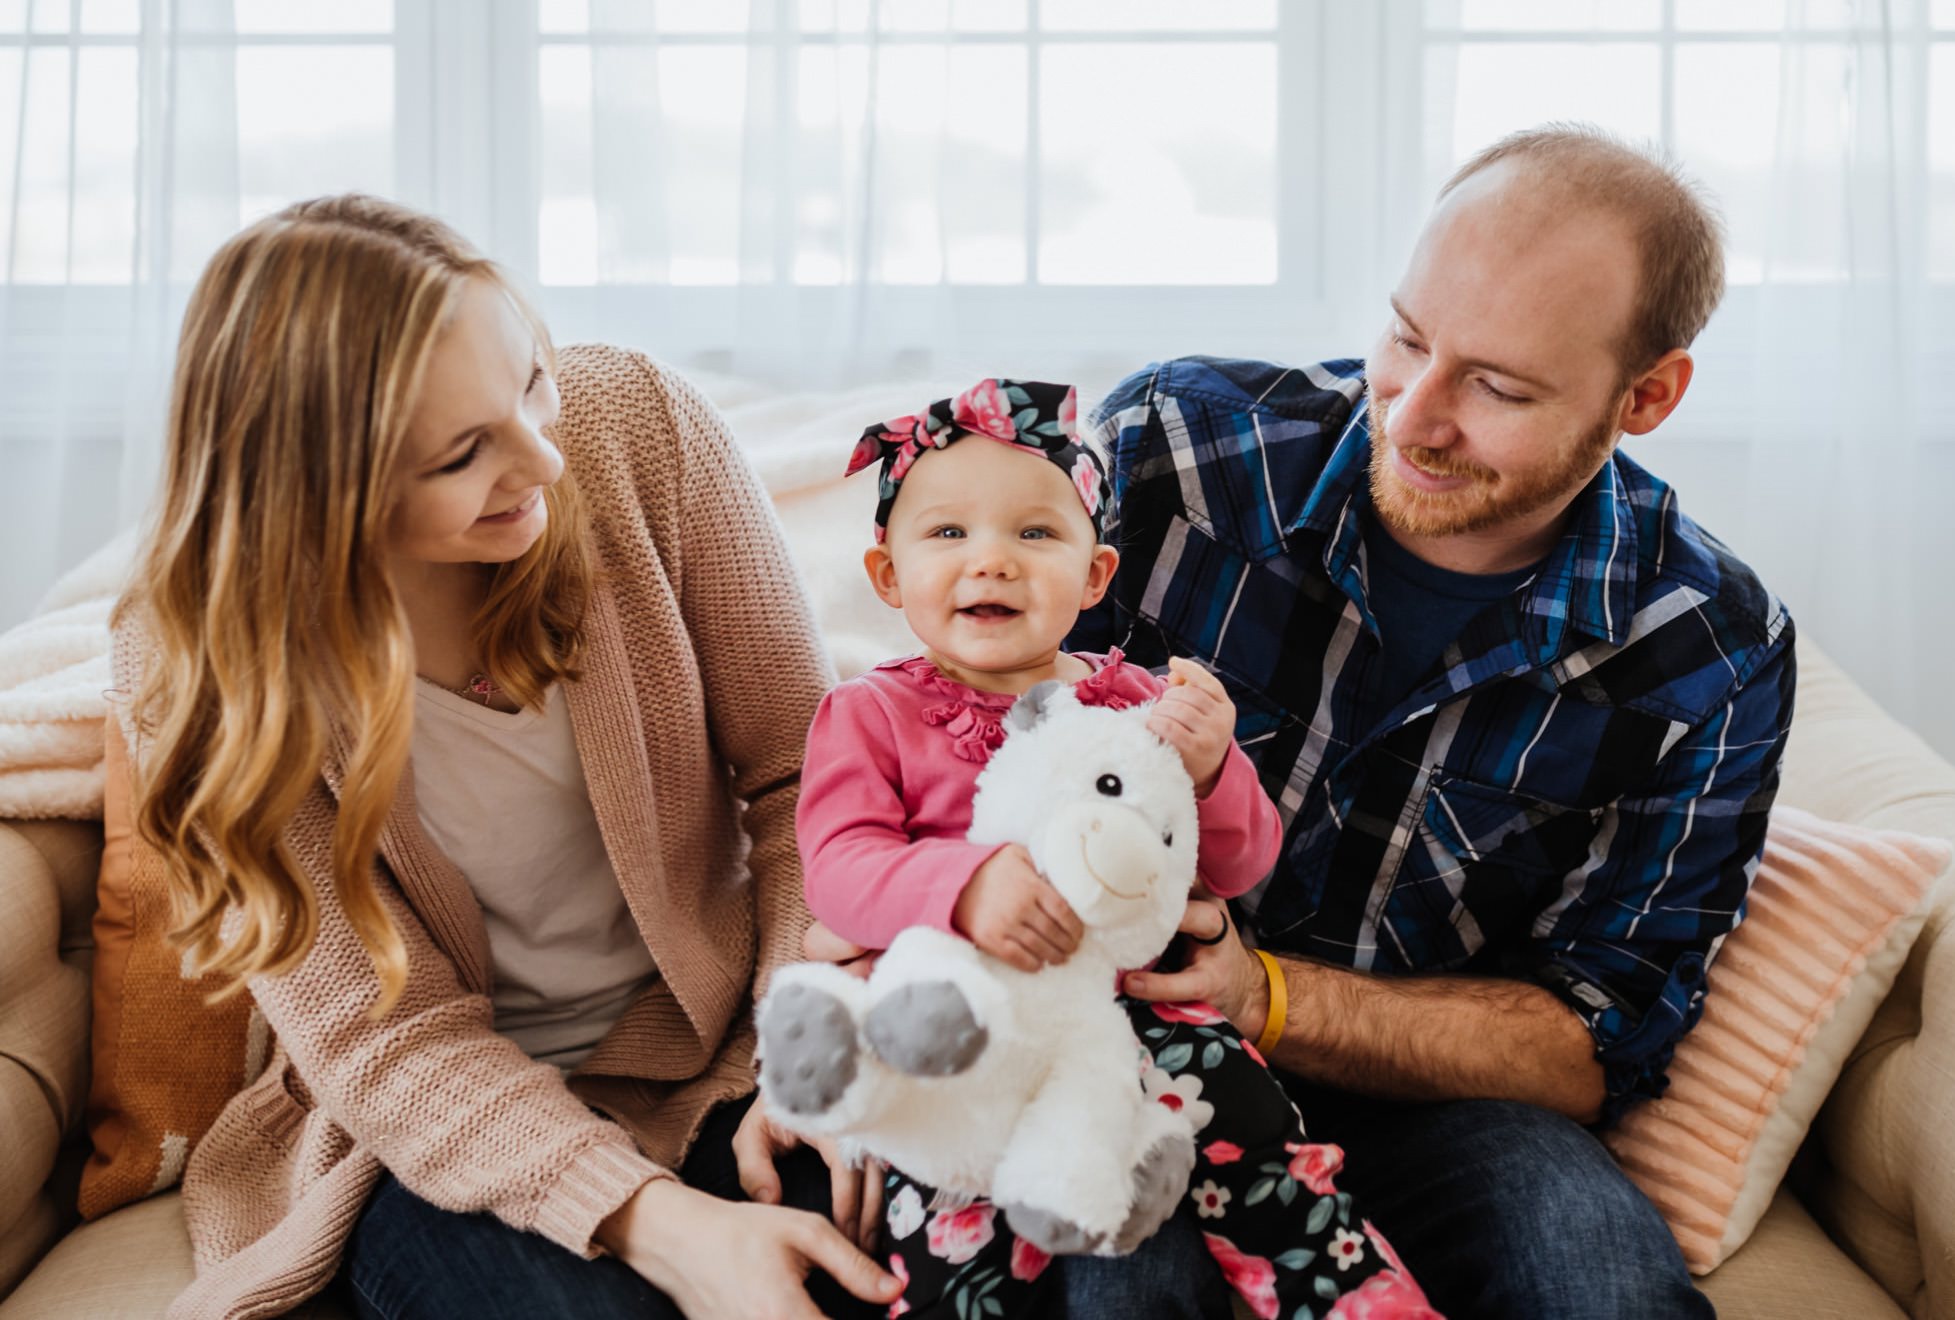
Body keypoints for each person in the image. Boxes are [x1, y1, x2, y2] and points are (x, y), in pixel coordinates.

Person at [109, 197, 1215, 1320]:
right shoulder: (188, 667)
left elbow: (801, 775)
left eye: (528, 381)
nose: (542, 457)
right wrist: (666, 1225)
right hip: (440, 1125)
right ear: (324, 500)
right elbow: (383, 1042)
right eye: (462, 453)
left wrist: (808, 1029)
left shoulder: (628, 425)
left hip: (740, 1042)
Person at [1062, 125, 1798, 1318]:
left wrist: (1267, 998)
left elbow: (1591, 1039)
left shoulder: (1707, 649)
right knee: (1113, 1272)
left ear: (1647, 394)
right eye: (1407, 338)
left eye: (1498, 387)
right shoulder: (1178, 456)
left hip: (1437, 1108)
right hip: (1109, 1055)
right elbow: (960, 730)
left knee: (1600, 1280)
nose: (1410, 419)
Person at [796, 380, 1436, 1318]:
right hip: (971, 1029)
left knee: (1276, 1174)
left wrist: (1213, 770)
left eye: (1035, 535)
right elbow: (840, 870)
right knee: (951, 1239)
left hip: (1151, 1018)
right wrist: (965, 886)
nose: (993, 563)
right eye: (947, 535)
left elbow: (1237, 866)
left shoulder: (1139, 699)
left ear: (1094, 578)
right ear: (886, 577)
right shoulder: (869, 713)